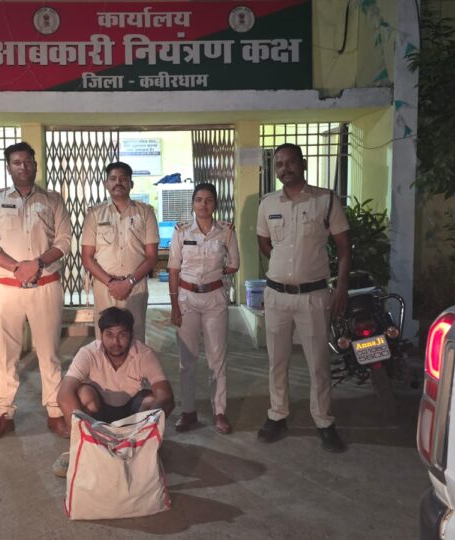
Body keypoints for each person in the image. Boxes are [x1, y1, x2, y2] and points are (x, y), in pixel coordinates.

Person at [255, 143, 351, 453]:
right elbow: (264, 242)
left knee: (318, 363)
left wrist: (341, 287)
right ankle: (277, 414)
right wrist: (285, 265)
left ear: (303, 163)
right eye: (279, 164)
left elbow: (344, 247)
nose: (285, 168)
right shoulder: (268, 203)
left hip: (313, 297)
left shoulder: (325, 200)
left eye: (290, 162)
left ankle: (323, 421)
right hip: (276, 296)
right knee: (277, 361)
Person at [0, 141, 73, 442]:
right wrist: (16, 267)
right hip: (7, 289)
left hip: (46, 287)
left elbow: (65, 240)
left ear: (35, 165)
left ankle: (55, 413)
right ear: (8, 167)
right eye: (17, 162)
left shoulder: (53, 200)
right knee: (7, 355)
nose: (23, 167)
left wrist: (37, 263)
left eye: (28, 162)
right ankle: (4, 414)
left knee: (49, 354)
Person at [167, 183, 239, 434]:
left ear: (215, 203)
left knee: (217, 358)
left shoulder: (226, 231)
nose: (203, 204)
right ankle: (188, 411)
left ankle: (219, 412)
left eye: (208, 200)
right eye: (198, 199)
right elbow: (173, 269)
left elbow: (235, 263)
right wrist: (174, 306)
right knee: (187, 359)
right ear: (193, 203)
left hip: (214, 300)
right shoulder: (181, 231)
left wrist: (214, 274)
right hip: (186, 299)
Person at [58, 307, 175, 428]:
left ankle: (140, 434)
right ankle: (88, 434)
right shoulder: (88, 353)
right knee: (84, 394)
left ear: (131, 335)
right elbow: (64, 394)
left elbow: (165, 396)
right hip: (98, 411)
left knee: (153, 400)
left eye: (122, 335)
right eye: (109, 334)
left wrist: (150, 425)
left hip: (133, 413)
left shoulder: (144, 354)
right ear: (101, 335)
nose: (115, 342)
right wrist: (77, 432)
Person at [81, 162, 159, 342]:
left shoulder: (146, 213)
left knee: (135, 336)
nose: (118, 183)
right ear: (106, 184)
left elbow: (151, 256)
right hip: (104, 287)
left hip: (135, 285)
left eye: (123, 179)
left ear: (131, 184)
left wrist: (128, 282)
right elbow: (87, 257)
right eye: (113, 179)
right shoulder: (95, 214)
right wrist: (111, 283)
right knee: (105, 338)